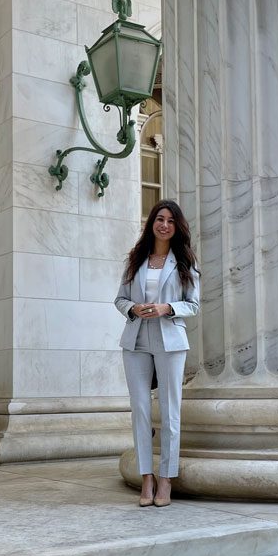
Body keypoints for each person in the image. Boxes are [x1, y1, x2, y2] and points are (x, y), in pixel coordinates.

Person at [115, 200, 200, 507]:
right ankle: (146, 479)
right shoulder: (136, 260)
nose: (164, 224)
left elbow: (193, 304)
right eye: (159, 219)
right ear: (152, 223)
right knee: (139, 409)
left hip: (171, 340)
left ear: (177, 227)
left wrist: (167, 308)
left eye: (171, 221)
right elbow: (120, 300)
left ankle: (166, 479)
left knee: (169, 410)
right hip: (135, 340)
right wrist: (134, 308)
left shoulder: (184, 263)